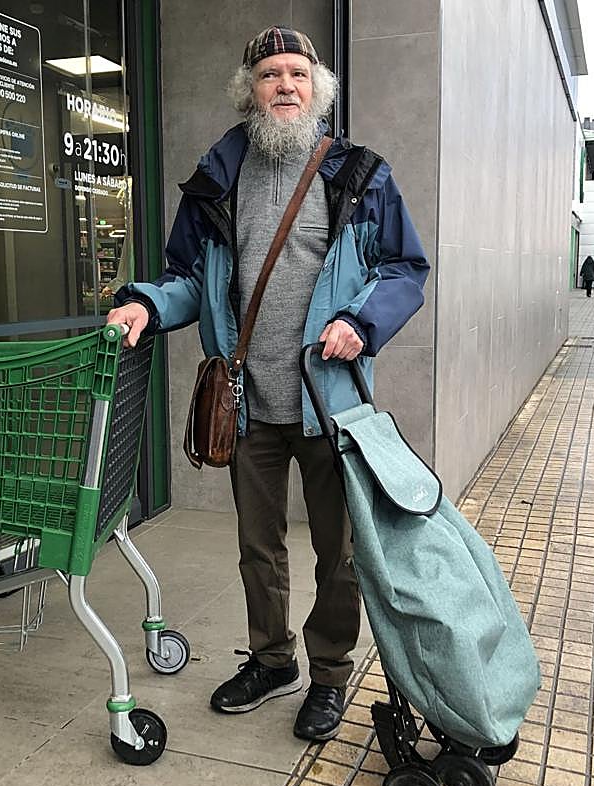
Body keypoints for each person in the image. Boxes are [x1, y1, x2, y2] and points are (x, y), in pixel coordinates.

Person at [105, 26, 428, 742]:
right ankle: (271, 660)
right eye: (270, 74)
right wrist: (147, 305)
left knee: (339, 554)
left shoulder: (360, 174)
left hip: (330, 403)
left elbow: (405, 269)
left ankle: (330, 674)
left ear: (318, 88)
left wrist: (361, 321)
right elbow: (188, 278)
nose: (285, 85)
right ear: (248, 90)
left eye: (297, 74)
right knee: (259, 547)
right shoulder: (216, 177)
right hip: (245, 404)